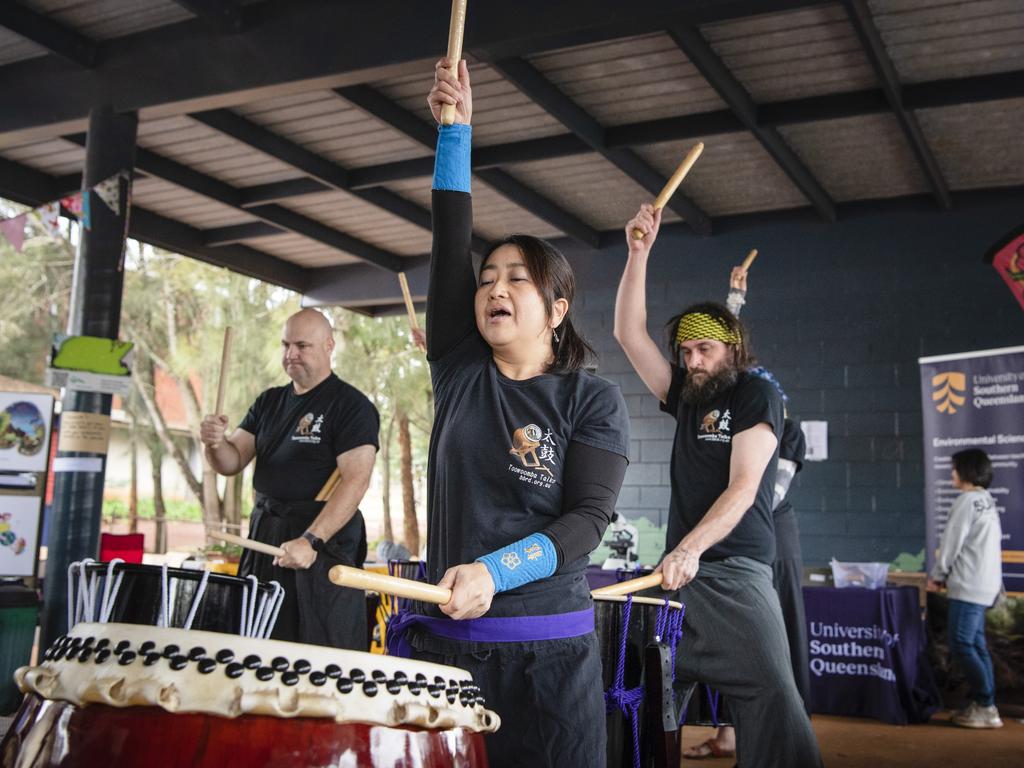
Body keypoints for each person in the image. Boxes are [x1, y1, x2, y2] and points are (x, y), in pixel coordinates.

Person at [392, 58, 630, 767]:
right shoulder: (459, 371)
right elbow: (447, 237)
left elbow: (586, 522)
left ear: (556, 311)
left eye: (517, 280)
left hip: (551, 655)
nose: (495, 287)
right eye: (487, 278)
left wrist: (493, 572)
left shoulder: (592, 398)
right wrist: (454, 133)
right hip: (449, 653)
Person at [614, 204, 822, 768]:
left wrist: (689, 548)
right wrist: (639, 252)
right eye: (685, 351)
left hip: (735, 572)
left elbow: (745, 487)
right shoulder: (686, 397)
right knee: (641, 696)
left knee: (772, 695)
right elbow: (628, 333)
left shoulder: (757, 395)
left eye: (703, 349)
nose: (692, 361)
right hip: (679, 576)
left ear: (731, 347)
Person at [685, 267, 811, 760]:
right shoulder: (724, 407)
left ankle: (765, 734)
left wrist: (724, 519)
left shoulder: (770, 414)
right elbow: (715, 345)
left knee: (766, 657)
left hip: (764, 539)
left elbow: (762, 492)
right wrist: (734, 297)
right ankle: (730, 734)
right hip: (726, 535)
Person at [199, 308, 379, 648]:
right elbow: (231, 460)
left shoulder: (351, 406)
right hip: (266, 534)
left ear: (329, 345)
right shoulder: (269, 402)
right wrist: (214, 442)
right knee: (258, 640)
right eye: (285, 345)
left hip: (322, 540)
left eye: (301, 345)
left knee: (319, 652)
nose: (290, 354)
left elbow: (356, 481)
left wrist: (311, 541)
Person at [927, 448, 1004, 729]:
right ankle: (986, 703)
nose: (952, 473)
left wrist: (938, 574)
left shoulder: (966, 501)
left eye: (955, 468)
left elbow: (951, 543)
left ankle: (985, 706)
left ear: (968, 471)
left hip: (969, 586)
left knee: (962, 643)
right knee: (976, 644)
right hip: (985, 586)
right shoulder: (986, 500)